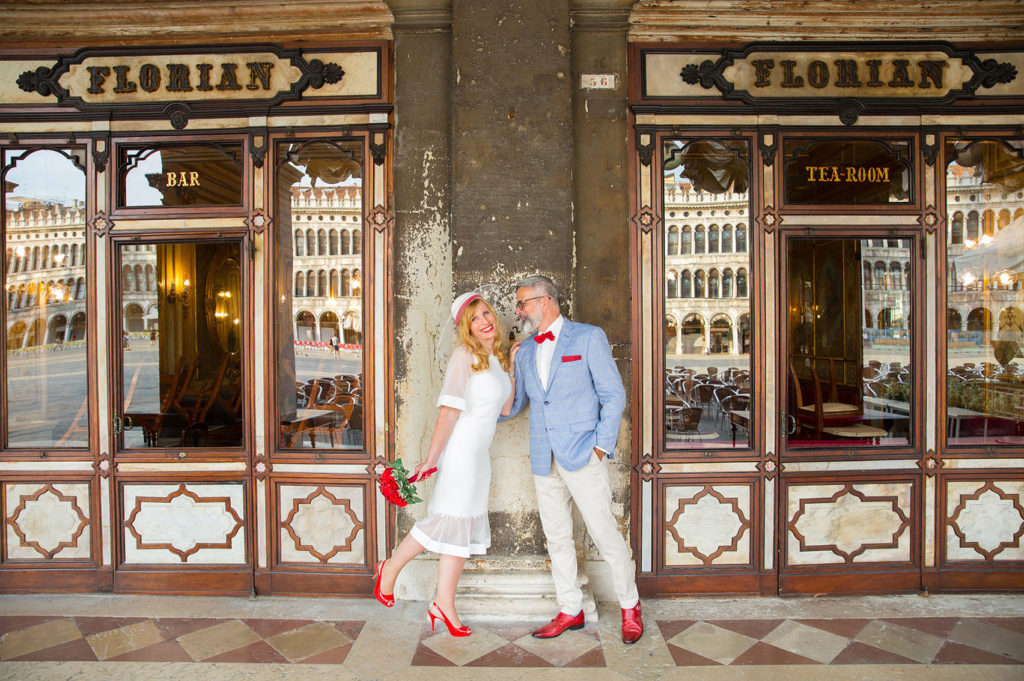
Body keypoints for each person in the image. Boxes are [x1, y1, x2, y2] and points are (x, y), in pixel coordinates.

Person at [502, 274, 643, 644]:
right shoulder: (526, 350)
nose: (519, 311)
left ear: (545, 301)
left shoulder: (588, 337)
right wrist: (509, 369)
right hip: (543, 457)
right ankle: (570, 609)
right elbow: (513, 407)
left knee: (604, 532)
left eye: (523, 303)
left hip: (583, 453)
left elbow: (613, 395)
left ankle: (630, 606)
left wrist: (600, 446)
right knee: (557, 537)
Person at [374, 291, 517, 636]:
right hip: (460, 455)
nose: (484, 321)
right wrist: (432, 458)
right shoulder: (463, 356)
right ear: (466, 328)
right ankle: (389, 569)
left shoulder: (495, 359)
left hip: (479, 459)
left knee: (460, 529)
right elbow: (449, 411)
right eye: (474, 319)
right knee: (443, 522)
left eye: (486, 313)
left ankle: (443, 603)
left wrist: (511, 365)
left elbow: (505, 409)